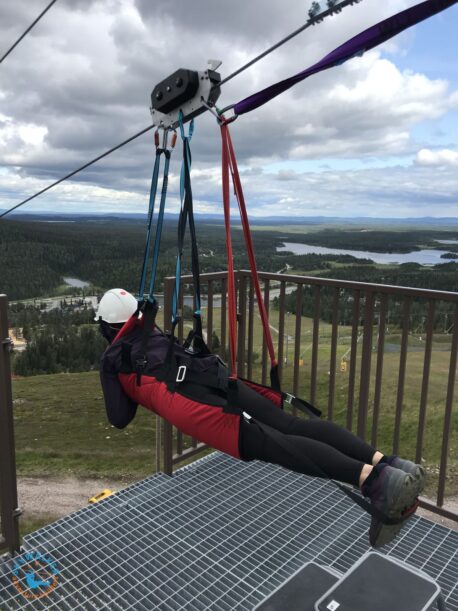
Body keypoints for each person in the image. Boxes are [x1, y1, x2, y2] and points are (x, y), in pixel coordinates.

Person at [96, 288, 425, 548]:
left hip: (196, 406)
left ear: (107, 327)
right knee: (292, 427)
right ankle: (389, 464)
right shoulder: (151, 332)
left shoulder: (115, 357)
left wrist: (113, 376)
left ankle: (376, 481)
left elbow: (119, 417)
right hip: (215, 378)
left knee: (279, 446)